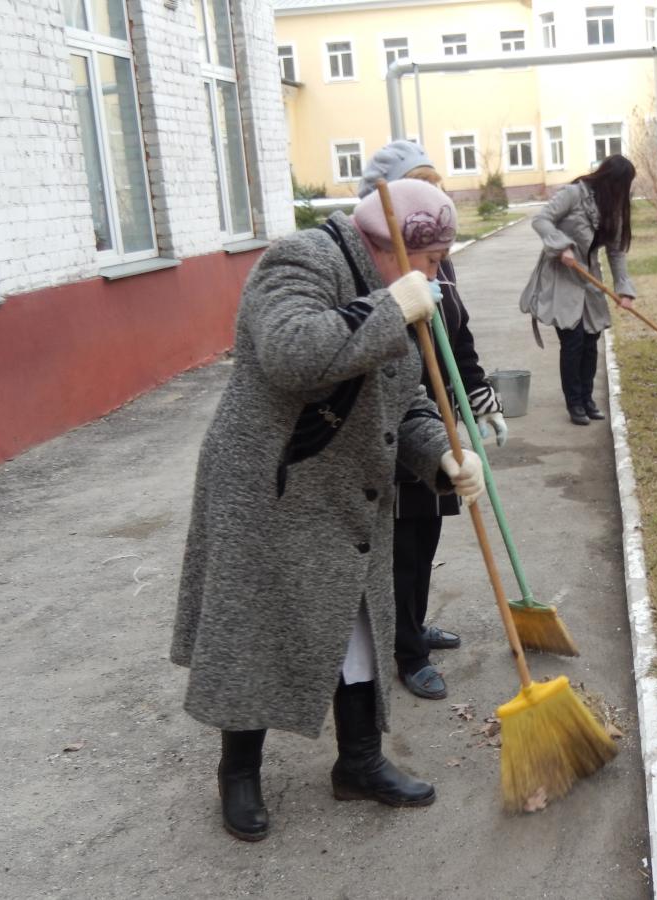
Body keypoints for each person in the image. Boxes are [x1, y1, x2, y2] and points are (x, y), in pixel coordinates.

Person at [170, 179, 485, 843]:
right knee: (255, 628)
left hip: (346, 492)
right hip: (270, 486)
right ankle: (239, 773)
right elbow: (290, 353)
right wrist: (388, 308)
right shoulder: (299, 261)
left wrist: (443, 459)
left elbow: (405, 399)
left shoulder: (403, 292)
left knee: (360, 626)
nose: (438, 274)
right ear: (390, 247)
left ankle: (360, 763)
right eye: (432, 260)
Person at [356, 141, 507, 702]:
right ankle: (406, 652)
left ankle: (414, 625)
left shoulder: (438, 260)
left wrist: (479, 393)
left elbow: (456, 336)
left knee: (428, 532)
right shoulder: (373, 270)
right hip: (393, 427)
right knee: (402, 545)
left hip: (434, 419)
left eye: (435, 187)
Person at [520, 154, 637, 426]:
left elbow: (616, 252)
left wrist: (624, 289)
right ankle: (574, 403)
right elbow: (541, 220)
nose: (624, 192)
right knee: (572, 342)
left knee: (590, 341)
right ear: (610, 180)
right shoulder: (573, 195)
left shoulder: (614, 208)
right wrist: (562, 246)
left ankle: (587, 399)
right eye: (622, 184)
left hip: (589, 278)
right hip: (561, 277)